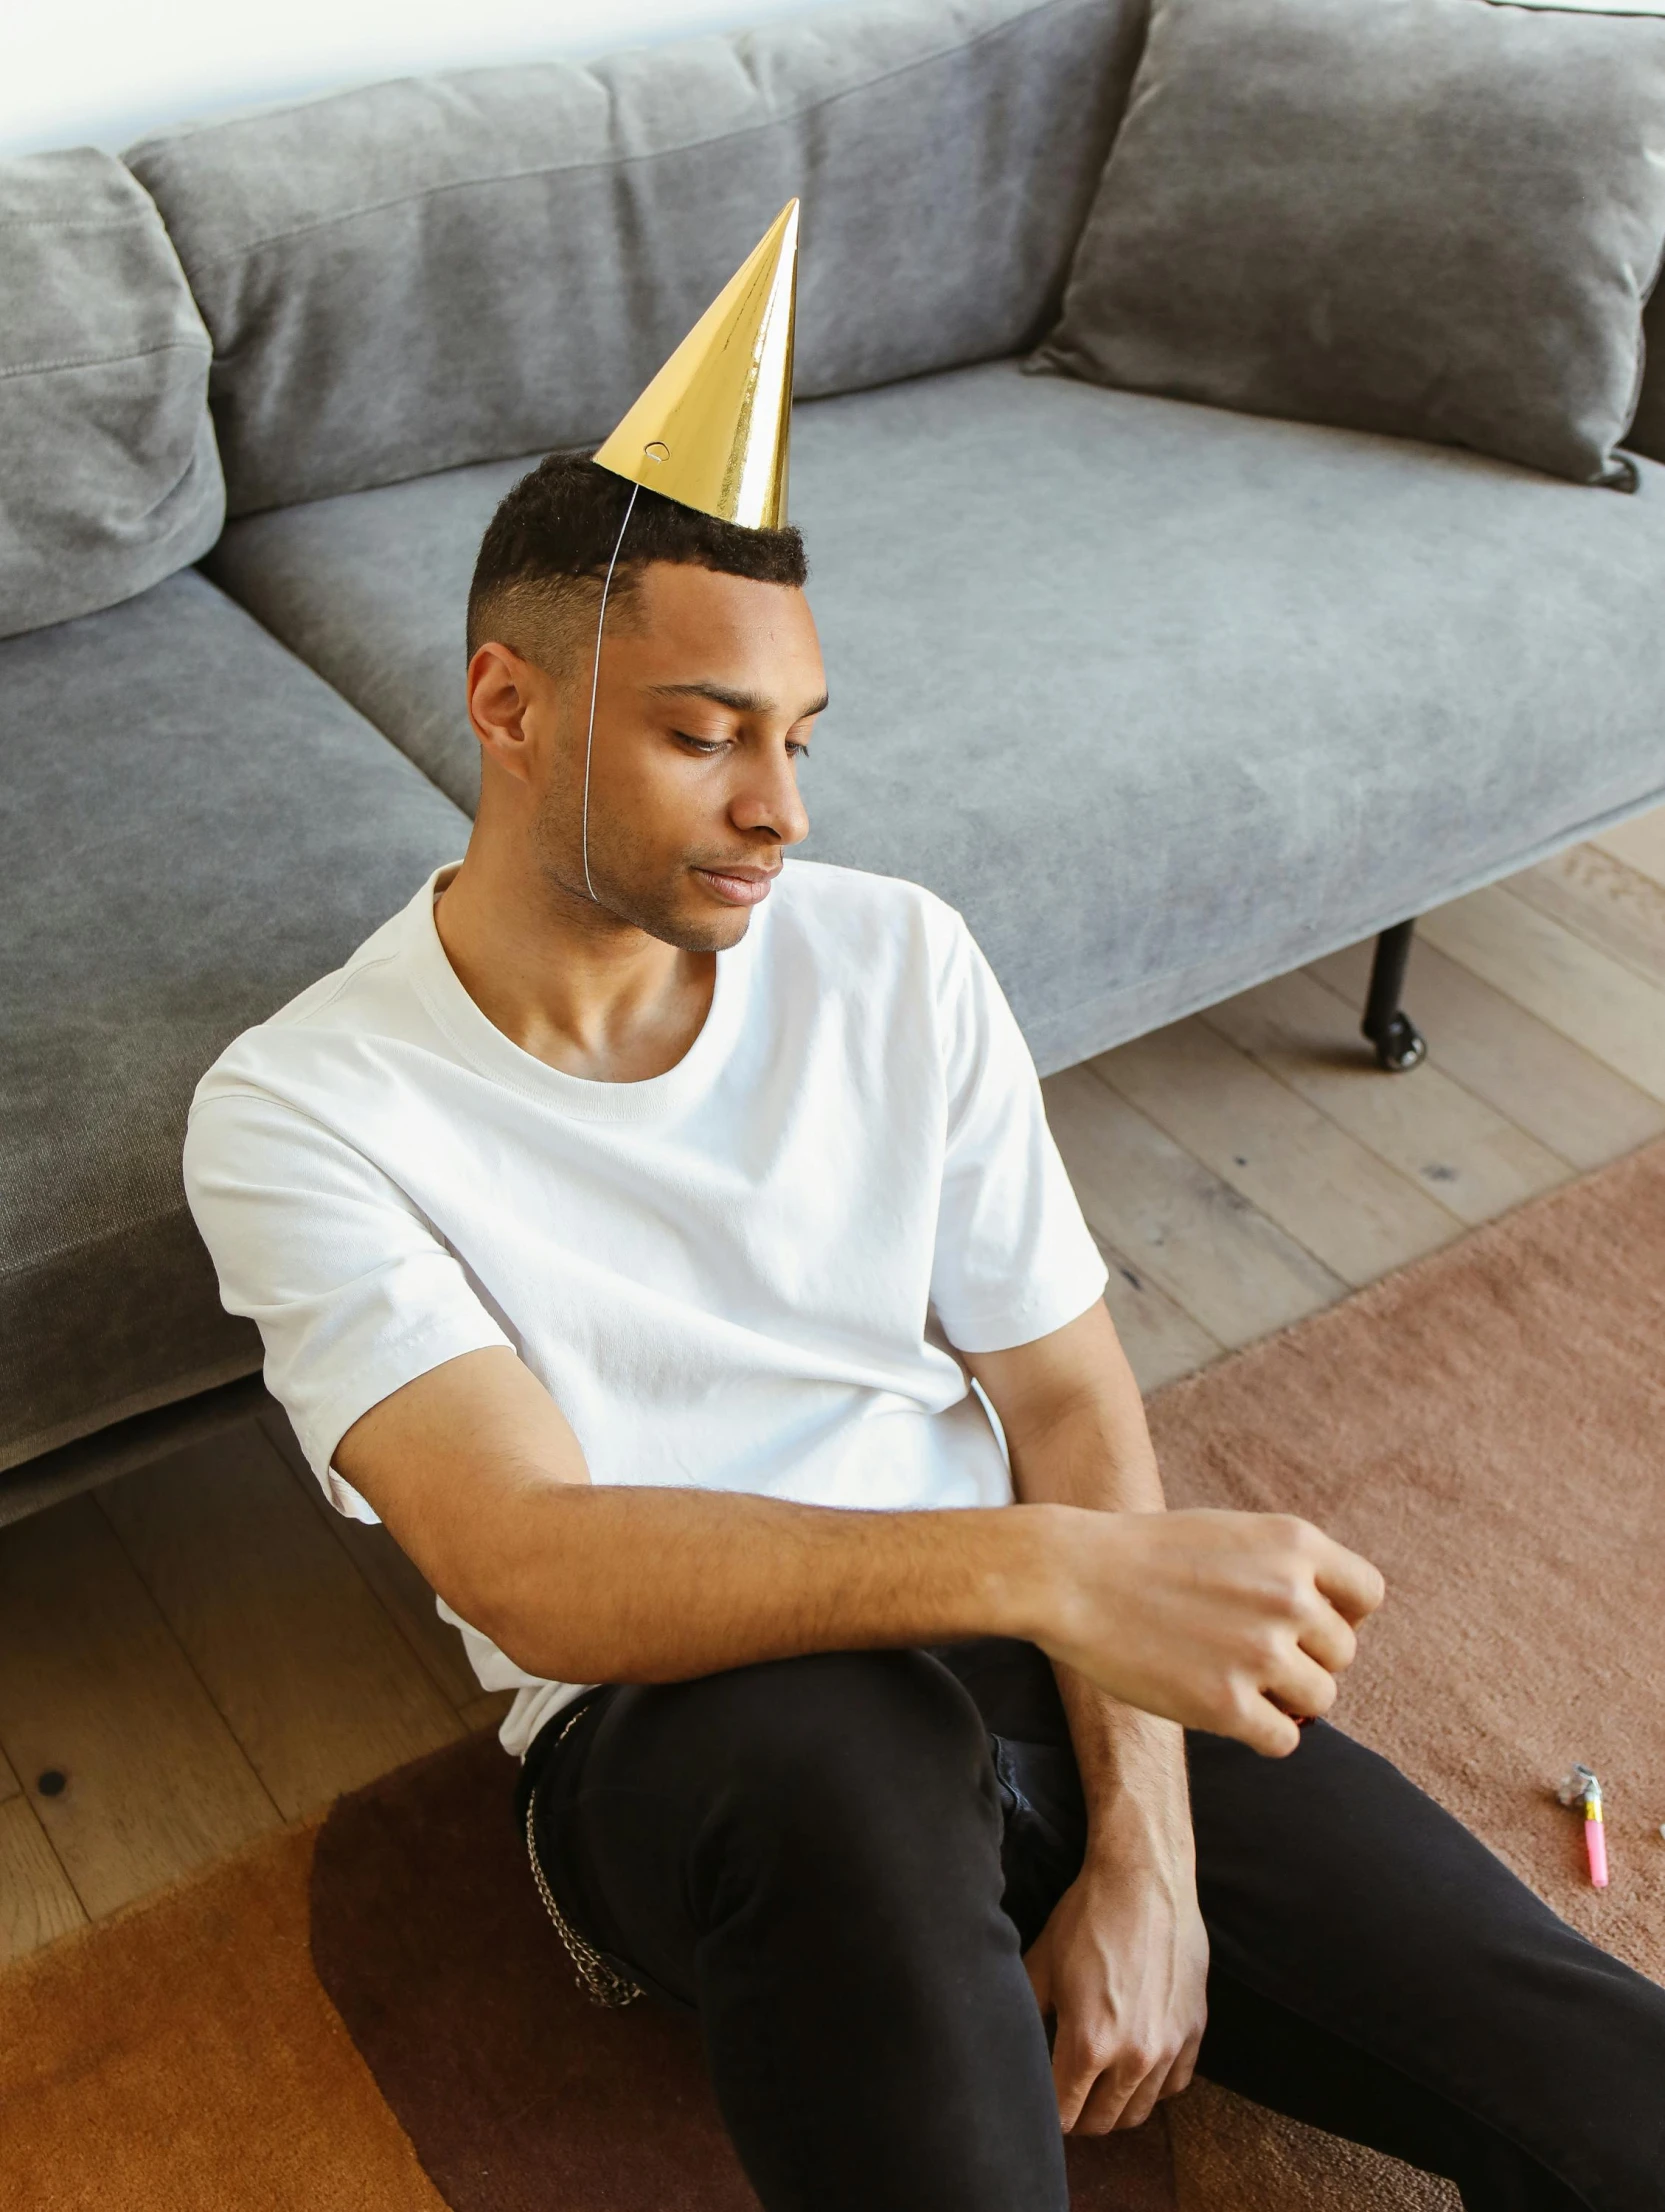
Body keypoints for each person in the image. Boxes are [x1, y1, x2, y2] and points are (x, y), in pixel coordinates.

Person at [185, 225, 1665, 2212]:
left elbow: (1063, 1394)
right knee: (841, 1746)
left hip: (1023, 1633)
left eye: (798, 738)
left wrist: (1143, 1847)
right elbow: (529, 1560)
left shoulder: (893, 957)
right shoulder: (302, 1106)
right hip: (695, 1737)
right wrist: (1055, 1574)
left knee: (1595, 2081)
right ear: (507, 700)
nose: (779, 809)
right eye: (705, 733)